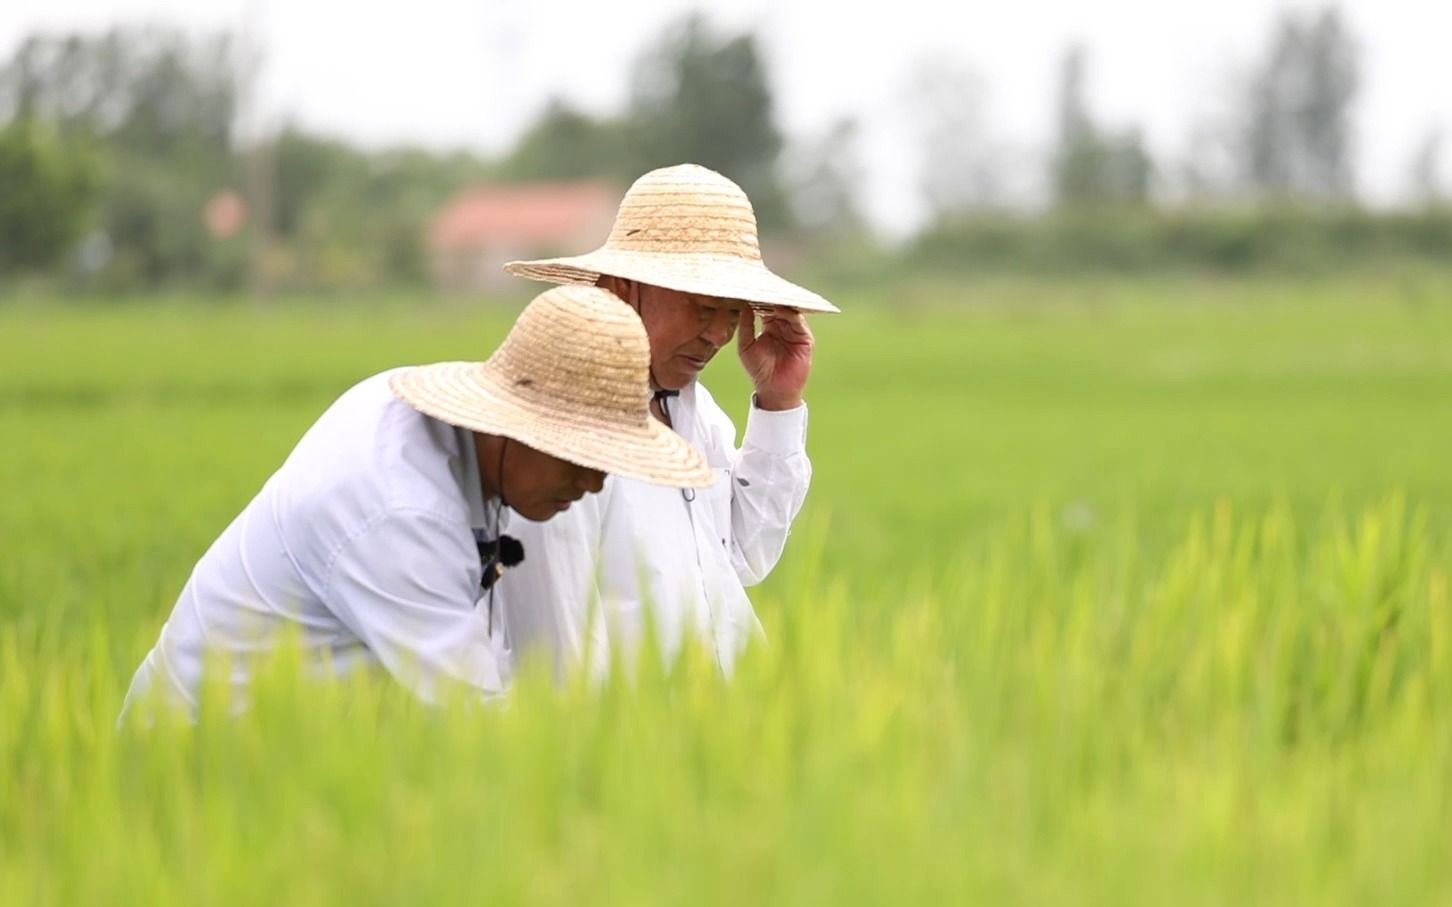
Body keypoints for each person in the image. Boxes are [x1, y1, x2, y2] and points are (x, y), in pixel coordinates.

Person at [120, 285, 710, 720]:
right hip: (193, 765)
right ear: (512, 426)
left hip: (302, 749)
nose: (595, 483)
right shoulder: (399, 510)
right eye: (578, 456)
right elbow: (474, 723)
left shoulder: (459, 453)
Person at [497, 163, 839, 679]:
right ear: (623, 287)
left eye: (732, 314)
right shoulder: (563, 435)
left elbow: (747, 553)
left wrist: (778, 401)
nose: (719, 336)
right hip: (639, 739)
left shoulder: (691, 409)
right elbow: (558, 653)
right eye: (703, 309)